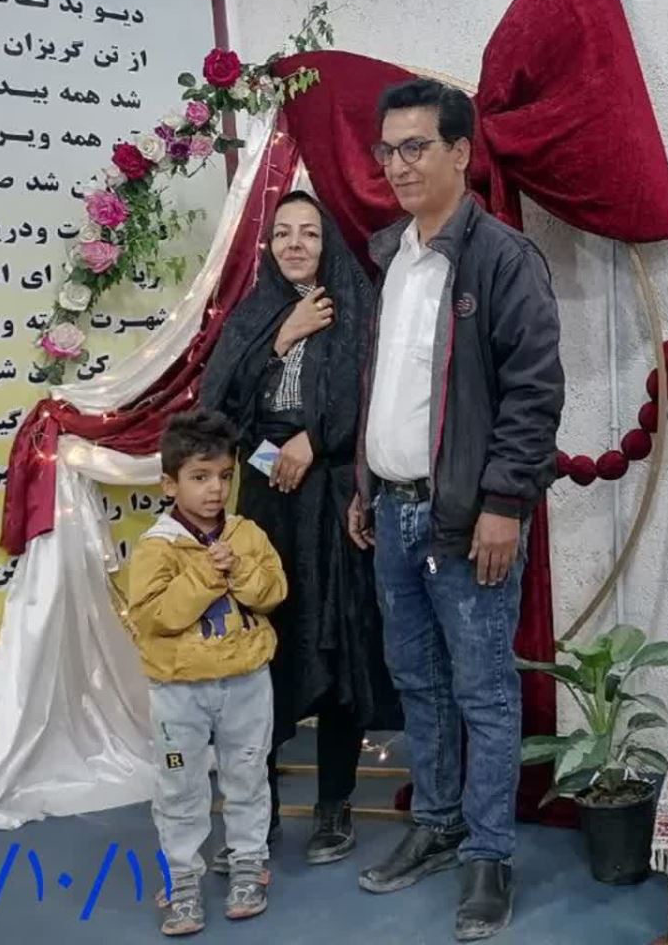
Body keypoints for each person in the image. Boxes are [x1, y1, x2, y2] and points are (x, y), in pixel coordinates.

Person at [348, 79, 564, 941]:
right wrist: (365, 486)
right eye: (388, 149)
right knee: (417, 683)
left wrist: (504, 504)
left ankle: (489, 855)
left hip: (469, 522)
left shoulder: (502, 260)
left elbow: (534, 393)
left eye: (416, 147)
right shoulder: (391, 260)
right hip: (392, 512)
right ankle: (435, 826)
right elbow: (387, 392)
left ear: (461, 153)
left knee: (484, 692)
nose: (398, 165)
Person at [201, 190, 391, 870]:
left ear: (327, 242)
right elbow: (219, 408)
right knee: (262, 653)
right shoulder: (256, 313)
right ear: (269, 245)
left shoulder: (356, 306)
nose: (295, 244)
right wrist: (282, 337)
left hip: (333, 500)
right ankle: (261, 812)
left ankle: (335, 804)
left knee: (337, 646)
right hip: (267, 505)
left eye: (309, 232)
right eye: (283, 233)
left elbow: (376, 395)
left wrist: (315, 439)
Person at [128, 409, 289, 934]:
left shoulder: (247, 535)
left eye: (224, 475)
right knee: (179, 785)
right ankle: (181, 878)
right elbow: (155, 617)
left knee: (248, 776)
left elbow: (273, 592)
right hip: (178, 692)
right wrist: (206, 573)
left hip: (246, 682)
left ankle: (248, 864)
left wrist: (237, 568)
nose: (215, 489)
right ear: (169, 483)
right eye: (199, 477)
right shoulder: (156, 547)